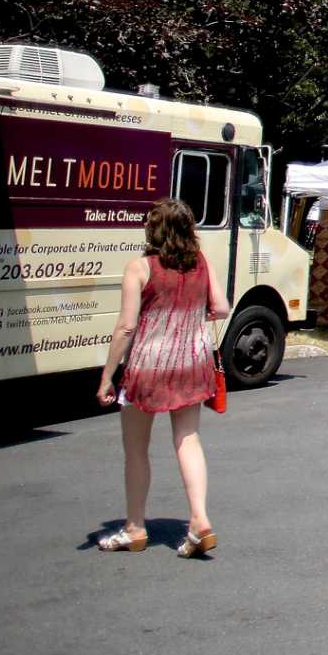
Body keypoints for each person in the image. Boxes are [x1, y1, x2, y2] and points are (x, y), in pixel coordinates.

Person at [94, 199, 231, 558]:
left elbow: (125, 328)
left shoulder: (140, 268)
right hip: (191, 364)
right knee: (188, 440)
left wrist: (108, 377)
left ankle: (135, 528)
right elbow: (222, 307)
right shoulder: (201, 264)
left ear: (153, 231)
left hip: (148, 368)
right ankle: (200, 520)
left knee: (136, 450)